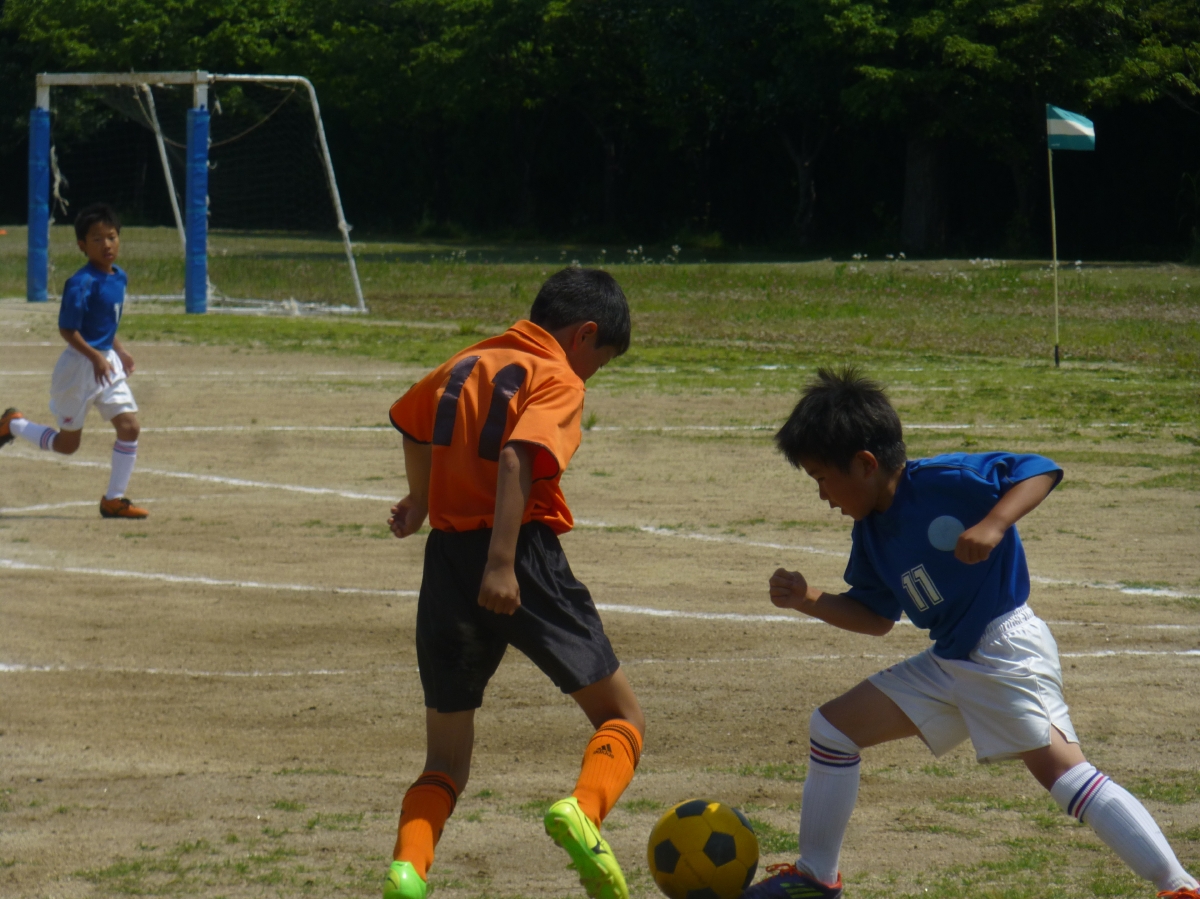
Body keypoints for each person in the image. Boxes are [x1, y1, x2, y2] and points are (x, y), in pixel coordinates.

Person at [744, 367, 1199, 899]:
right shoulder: (870, 533)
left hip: (1005, 649)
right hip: (951, 660)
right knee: (832, 730)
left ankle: (1178, 887)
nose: (822, 494)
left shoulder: (945, 480)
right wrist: (809, 600)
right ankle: (815, 879)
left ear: (865, 464)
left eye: (821, 477)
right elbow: (876, 617)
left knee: (1065, 776)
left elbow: (1039, 470)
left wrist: (995, 523)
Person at [382, 267, 645, 899]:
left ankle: (408, 871)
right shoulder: (555, 376)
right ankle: (584, 810)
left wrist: (420, 499)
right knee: (621, 716)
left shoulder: (466, 362)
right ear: (584, 335)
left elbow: (412, 423)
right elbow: (517, 456)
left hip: (446, 562)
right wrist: (502, 561)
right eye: (599, 362)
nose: (591, 377)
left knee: (445, 759)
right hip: (520, 556)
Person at [1, 203, 147, 519]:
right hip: (79, 368)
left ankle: (114, 499)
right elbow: (68, 329)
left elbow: (104, 325)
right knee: (68, 445)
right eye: (97, 239)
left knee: (130, 427)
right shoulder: (81, 283)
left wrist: (119, 351)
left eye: (112, 237)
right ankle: (12, 424)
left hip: (106, 363)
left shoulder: (119, 277)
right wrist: (94, 356)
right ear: (82, 245)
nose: (106, 244)